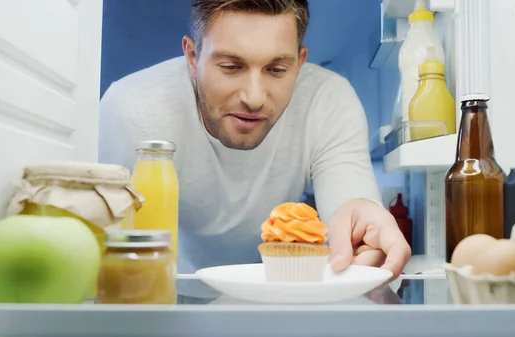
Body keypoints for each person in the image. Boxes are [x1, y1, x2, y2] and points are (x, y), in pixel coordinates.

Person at [99, 0, 411, 292]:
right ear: (193, 58)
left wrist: (361, 225)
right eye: (231, 67)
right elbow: (111, 242)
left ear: (300, 63)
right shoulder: (134, 107)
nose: (254, 97)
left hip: (283, 293)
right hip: (170, 290)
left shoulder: (328, 100)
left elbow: (349, 202)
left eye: (276, 70)